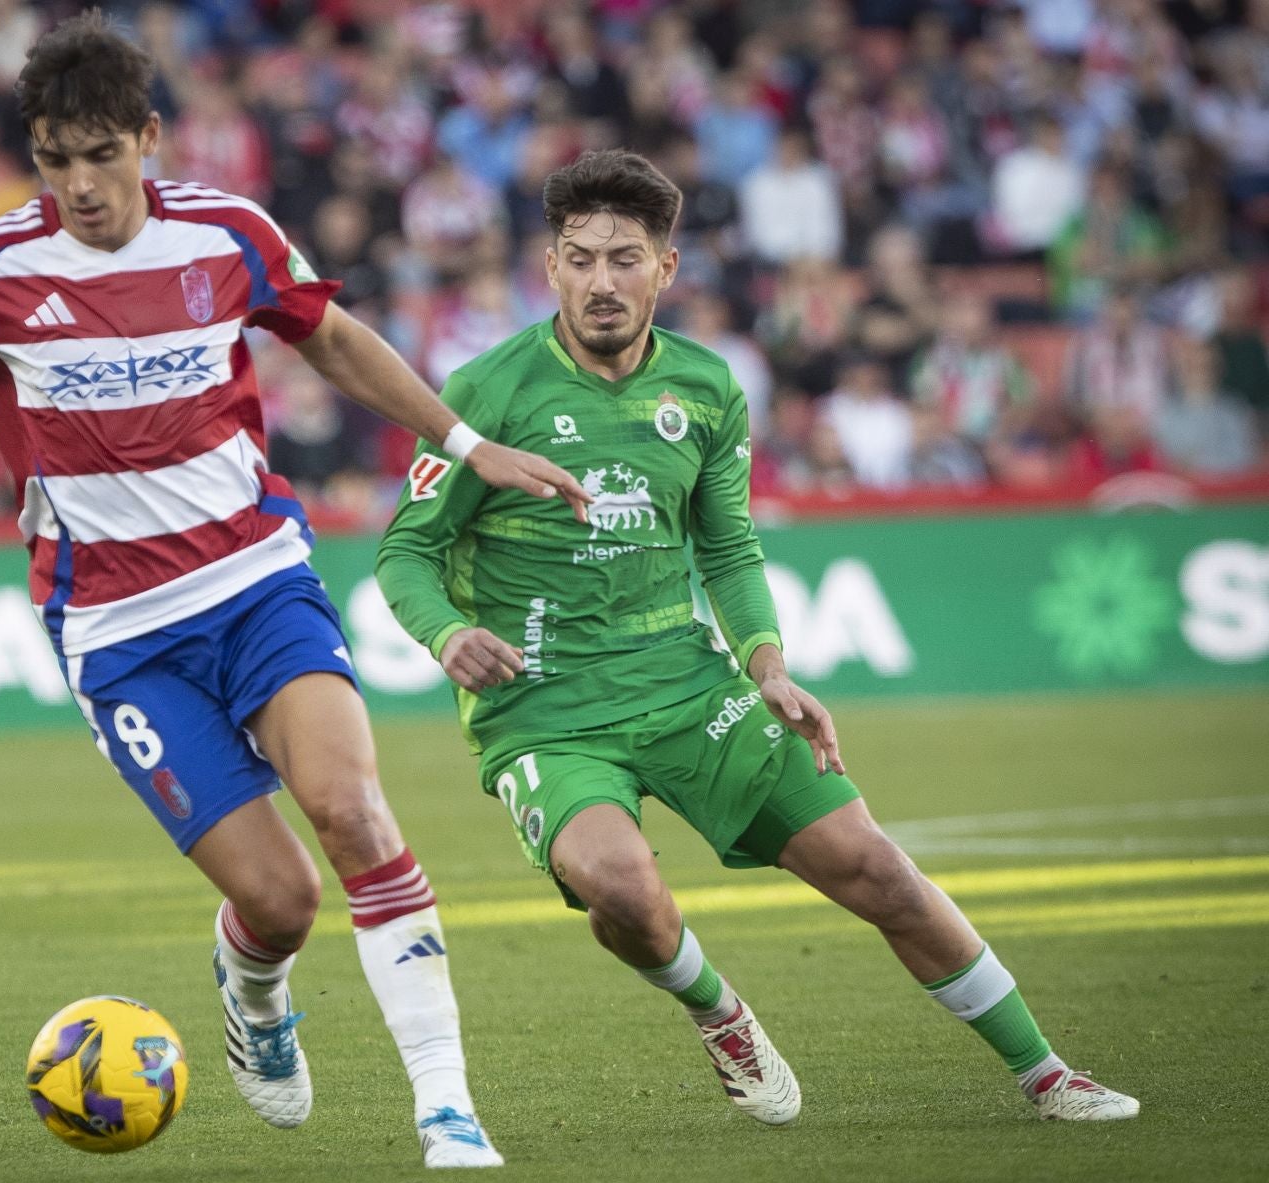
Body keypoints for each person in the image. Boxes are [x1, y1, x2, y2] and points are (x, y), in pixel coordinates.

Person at [0, 14, 589, 1168]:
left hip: (256, 580)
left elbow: (333, 339)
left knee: (354, 812)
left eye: (102, 153)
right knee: (283, 902)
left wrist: (462, 439)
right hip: (118, 634)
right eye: (54, 158)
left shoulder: (227, 234)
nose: (82, 184)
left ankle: (446, 1106)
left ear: (148, 137)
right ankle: (253, 995)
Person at [375, 149, 1139, 1126]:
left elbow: (727, 545)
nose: (601, 280)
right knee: (620, 886)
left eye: (624, 258)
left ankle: (1046, 1072)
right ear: (551, 266)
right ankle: (718, 1010)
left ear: (667, 269)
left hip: (690, 688)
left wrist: (768, 664)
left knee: (877, 867)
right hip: (546, 710)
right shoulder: (486, 392)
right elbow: (405, 551)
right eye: (579, 258)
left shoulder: (707, 388)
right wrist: (445, 635)